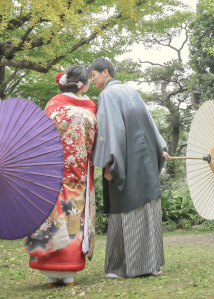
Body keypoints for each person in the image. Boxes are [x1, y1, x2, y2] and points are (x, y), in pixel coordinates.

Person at [88, 57, 170, 279]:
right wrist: (161, 147)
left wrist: (109, 163)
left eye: (93, 75)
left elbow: (110, 130)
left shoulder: (108, 95)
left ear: (105, 72)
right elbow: (150, 122)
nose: (92, 80)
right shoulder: (132, 92)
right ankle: (151, 265)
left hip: (125, 161)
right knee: (147, 207)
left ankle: (122, 268)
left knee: (125, 207)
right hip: (146, 161)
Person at [24, 65, 97, 288]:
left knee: (51, 219)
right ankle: (69, 274)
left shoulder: (53, 106)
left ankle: (50, 275)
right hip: (77, 174)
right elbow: (92, 140)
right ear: (82, 85)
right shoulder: (89, 111)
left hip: (50, 173)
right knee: (73, 218)